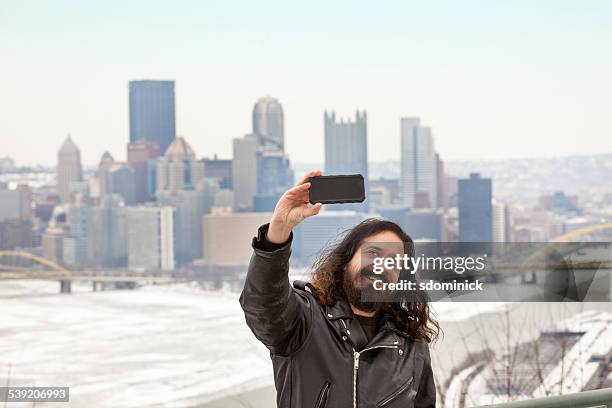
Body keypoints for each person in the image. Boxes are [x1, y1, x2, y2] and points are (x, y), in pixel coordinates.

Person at [239, 170, 440, 408]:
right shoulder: (304, 320)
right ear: (345, 262)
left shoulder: (411, 346)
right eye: (373, 253)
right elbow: (263, 305)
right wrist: (279, 229)